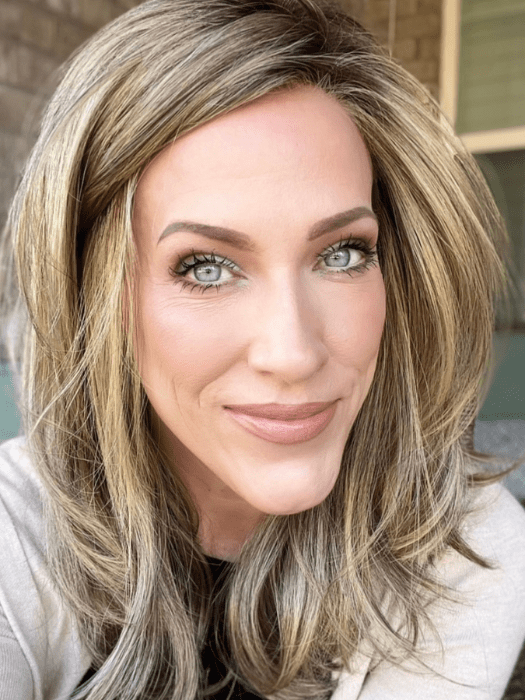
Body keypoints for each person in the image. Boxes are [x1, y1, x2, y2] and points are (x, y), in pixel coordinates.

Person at [0, 0, 524, 698]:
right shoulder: (16, 538)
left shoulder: (465, 545)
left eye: (342, 253)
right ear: (99, 297)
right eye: (205, 267)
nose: (294, 353)